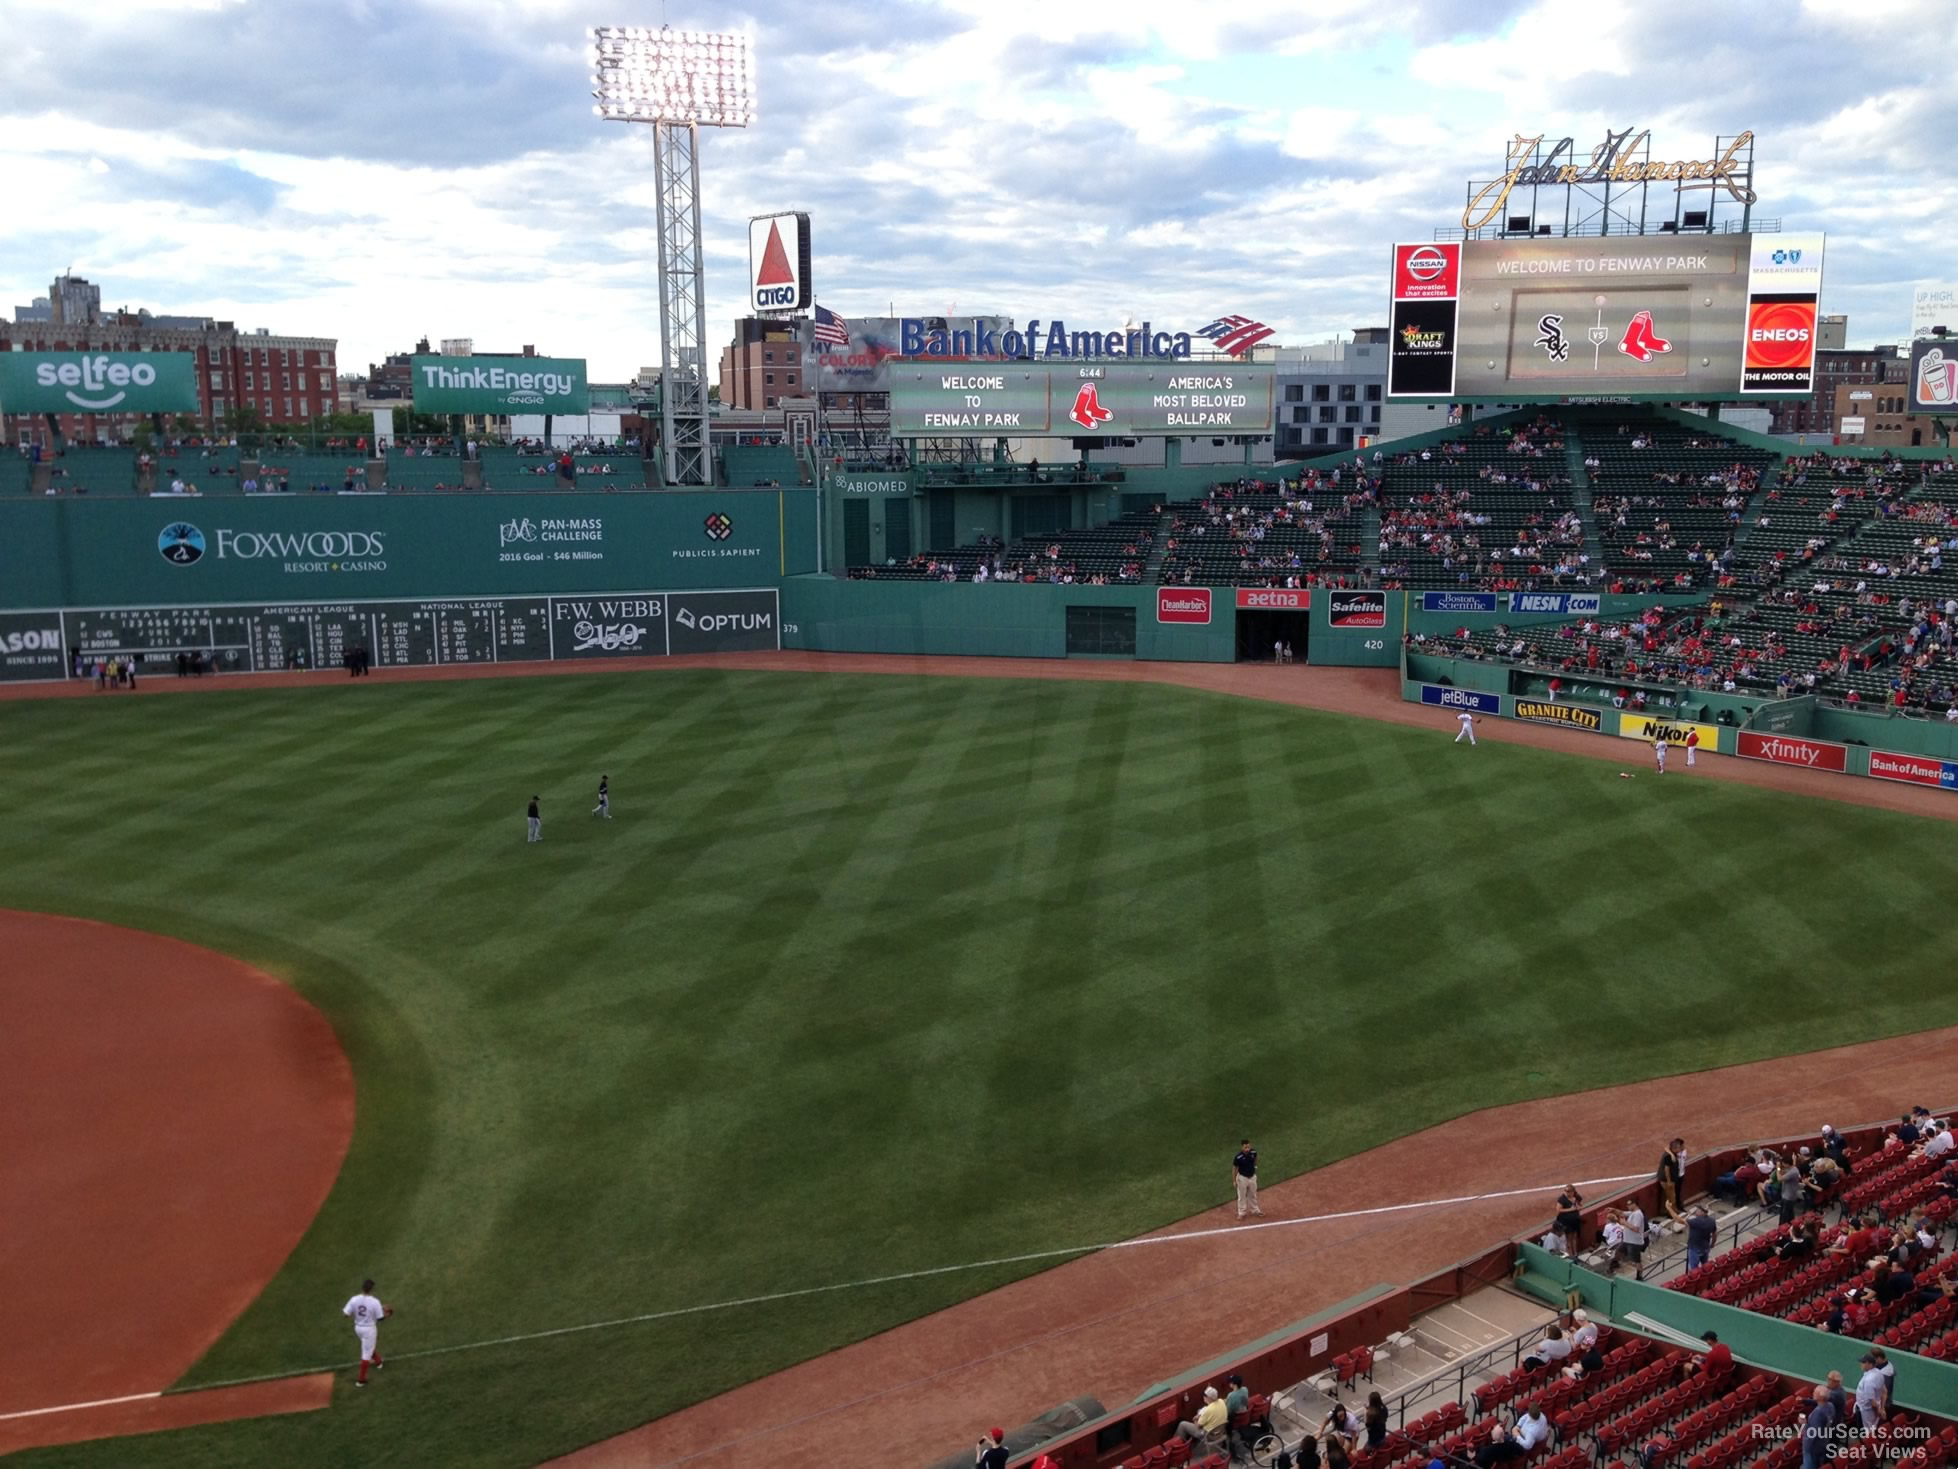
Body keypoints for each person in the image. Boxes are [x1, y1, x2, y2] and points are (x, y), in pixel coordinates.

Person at [342, 1277, 392, 1386]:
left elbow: (345, 1314)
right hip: (369, 1330)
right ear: (372, 1289)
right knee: (366, 1354)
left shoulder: (354, 1299)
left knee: (368, 1346)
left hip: (358, 1328)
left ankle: (379, 1362)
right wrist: (387, 1314)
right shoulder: (375, 1302)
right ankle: (361, 1380)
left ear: (362, 1288)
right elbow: (380, 1318)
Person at [1801, 1385, 1834, 1469]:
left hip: (1813, 1448)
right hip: (1824, 1443)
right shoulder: (1830, 1406)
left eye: (1815, 1392)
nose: (1813, 1393)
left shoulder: (1818, 1413)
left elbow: (1812, 1434)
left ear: (1821, 1397)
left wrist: (1804, 1423)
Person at [1657, 1139, 1688, 1227]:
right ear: (1674, 1148)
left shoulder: (1672, 1154)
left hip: (1670, 1180)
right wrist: (1669, 1181)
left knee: (1670, 1197)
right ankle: (1672, 1214)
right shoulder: (1669, 1156)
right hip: (1667, 1181)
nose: (1680, 1149)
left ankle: (1669, 1212)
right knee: (1671, 1198)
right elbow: (1667, 1170)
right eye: (1678, 1148)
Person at [1853, 1353, 1885, 1432]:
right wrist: (1882, 1408)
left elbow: (1872, 1403)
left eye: (1864, 1362)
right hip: (1874, 1408)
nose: (1861, 1364)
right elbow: (1884, 1391)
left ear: (1870, 1364)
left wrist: (1879, 1412)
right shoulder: (1879, 1373)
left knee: (1866, 1434)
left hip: (1866, 1412)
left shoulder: (1868, 1381)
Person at [1233, 1139, 1261, 1220]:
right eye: (1245, 1147)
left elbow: (1256, 1158)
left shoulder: (1253, 1152)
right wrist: (1234, 1181)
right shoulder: (1238, 1157)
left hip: (1252, 1177)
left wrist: (1255, 1167)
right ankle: (1241, 1213)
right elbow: (1235, 1169)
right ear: (1242, 1147)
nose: (1247, 1149)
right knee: (1242, 1196)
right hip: (1242, 1178)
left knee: (1252, 1194)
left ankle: (1255, 1210)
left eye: (1248, 1147)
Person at [1552, 1185, 1583, 1257]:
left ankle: (1575, 1253)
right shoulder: (1562, 1199)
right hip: (1566, 1221)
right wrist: (1571, 1209)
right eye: (1565, 1190)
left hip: (1575, 1221)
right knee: (1569, 1238)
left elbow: (1581, 1205)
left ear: (1573, 1192)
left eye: (1568, 1191)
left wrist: (1579, 1208)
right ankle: (1571, 1255)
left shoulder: (1577, 1197)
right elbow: (1558, 1210)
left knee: (1574, 1237)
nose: (1566, 1192)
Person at [1685, 1205, 1716, 1272]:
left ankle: (1694, 1280)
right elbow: (1714, 1235)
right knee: (1705, 1267)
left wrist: (1669, 1208)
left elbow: (1680, 1220)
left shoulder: (1696, 1221)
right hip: (1705, 1247)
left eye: (1698, 1210)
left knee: (1693, 1269)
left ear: (1702, 1212)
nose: (1696, 1211)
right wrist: (1712, 1244)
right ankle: (1704, 1279)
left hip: (1695, 1249)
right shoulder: (1712, 1221)